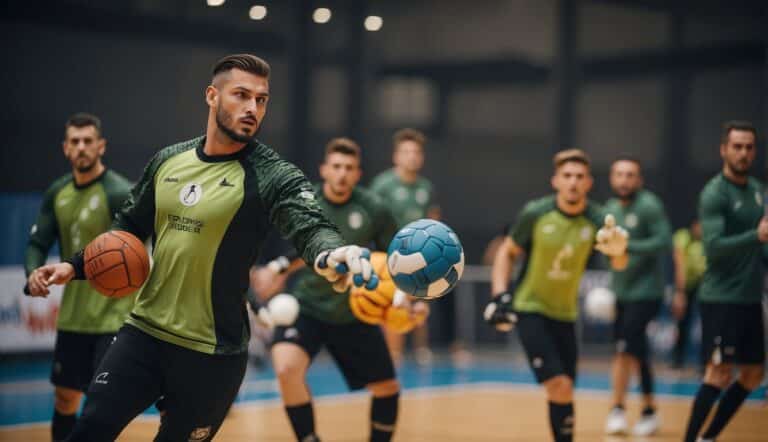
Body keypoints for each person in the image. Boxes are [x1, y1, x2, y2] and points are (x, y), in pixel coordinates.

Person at [28, 54, 377, 442]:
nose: (252, 108)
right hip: (144, 334)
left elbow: (310, 226)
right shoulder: (168, 160)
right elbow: (128, 223)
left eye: (261, 100)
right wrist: (76, 266)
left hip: (214, 354)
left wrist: (333, 253)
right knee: (88, 431)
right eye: (241, 95)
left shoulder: (272, 175)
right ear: (212, 96)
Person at [257, 137, 426, 442]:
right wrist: (278, 267)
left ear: (358, 174)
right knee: (285, 369)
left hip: (354, 310)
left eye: (349, 168)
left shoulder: (374, 207)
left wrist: (411, 298)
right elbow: (306, 247)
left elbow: (399, 258)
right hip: (308, 306)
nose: (342, 173)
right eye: (336, 166)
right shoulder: (308, 202)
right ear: (324, 169)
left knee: (387, 388)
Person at [485, 149, 630, 442]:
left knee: (564, 391)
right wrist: (499, 294)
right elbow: (507, 252)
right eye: (567, 176)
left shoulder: (599, 219)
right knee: (559, 385)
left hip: (565, 314)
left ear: (588, 183)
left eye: (579, 177)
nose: (573, 182)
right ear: (555, 181)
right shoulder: (536, 213)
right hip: (530, 308)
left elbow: (620, 263)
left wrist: (619, 252)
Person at [24, 112, 134, 441]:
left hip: (112, 316)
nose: (82, 147)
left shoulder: (118, 191)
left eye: (88, 141)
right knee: (66, 398)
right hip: (73, 317)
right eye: (75, 141)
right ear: (65, 148)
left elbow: (132, 248)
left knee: (101, 404)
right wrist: (33, 273)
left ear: (101, 146)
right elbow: (37, 242)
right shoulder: (57, 192)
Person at [684, 121, 766, 442]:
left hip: (749, 298)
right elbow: (714, 248)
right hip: (721, 298)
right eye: (737, 146)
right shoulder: (715, 192)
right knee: (718, 374)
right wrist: (755, 236)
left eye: (749, 147)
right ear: (724, 150)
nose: (743, 153)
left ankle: (709, 437)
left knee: (753, 374)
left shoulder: (760, 190)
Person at [602, 157, 671, 436]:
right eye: (619, 174)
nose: (624, 180)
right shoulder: (608, 209)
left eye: (630, 174)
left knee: (623, 349)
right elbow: (605, 244)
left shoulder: (649, 205)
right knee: (637, 350)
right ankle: (649, 410)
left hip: (646, 293)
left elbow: (663, 240)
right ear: (611, 178)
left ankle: (617, 409)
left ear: (639, 179)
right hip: (621, 292)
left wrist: (628, 245)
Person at [369, 128, 440, 365]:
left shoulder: (425, 188)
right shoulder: (383, 185)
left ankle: (421, 350)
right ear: (396, 156)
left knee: (419, 303)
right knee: (392, 305)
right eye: (406, 152)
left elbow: (433, 218)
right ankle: (392, 357)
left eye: (416, 152)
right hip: (389, 256)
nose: (411, 156)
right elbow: (371, 217)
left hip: (419, 256)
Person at [671, 220, 706, 369]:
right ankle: (678, 360)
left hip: (704, 284)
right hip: (685, 285)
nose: (702, 229)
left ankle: (705, 363)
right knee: (682, 322)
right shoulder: (682, 237)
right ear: (694, 225)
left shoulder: (708, 240)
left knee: (708, 323)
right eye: (700, 225)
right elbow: (679, 265)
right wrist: (680, 293)